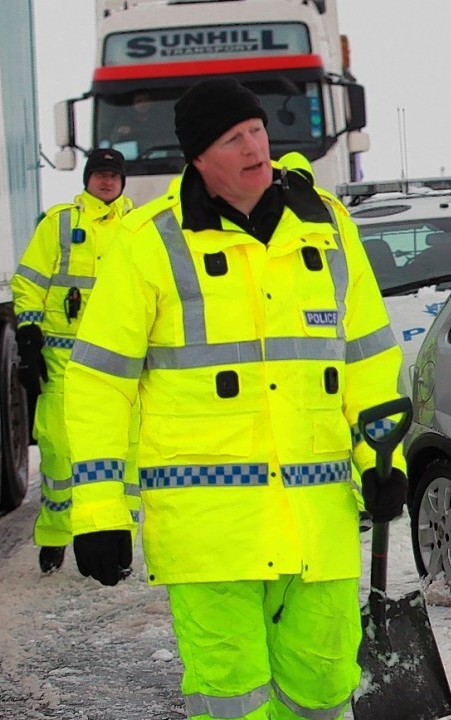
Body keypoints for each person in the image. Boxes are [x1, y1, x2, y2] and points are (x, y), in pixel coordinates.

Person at [63, 77, 409, 720]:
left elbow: (366, 360)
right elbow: (98, 384)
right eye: (232, 139)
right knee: (232, 694)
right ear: (198, 158)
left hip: (318, 518)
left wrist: (381, 461)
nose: (254, 150)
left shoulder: (326, 227)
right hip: (209, 532)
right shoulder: (150, 244)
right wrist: (97, 509)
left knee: (326, 685)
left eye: (257, 132)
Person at [11, 148, 139, 573]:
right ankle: (54, 537)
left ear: (122, 182)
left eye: (113, 176)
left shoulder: (137, 227)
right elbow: (29, 281)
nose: (106, 182)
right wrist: (28, 335)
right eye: (99, 175)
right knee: (58, 450)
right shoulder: (61, 222)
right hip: (62, 359)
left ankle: (121, 537)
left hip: (120, 359)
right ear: (87, 179)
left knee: (127, 451)